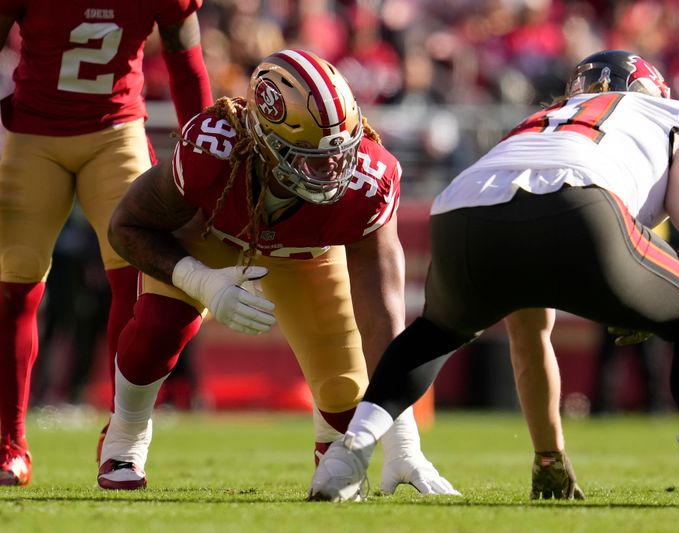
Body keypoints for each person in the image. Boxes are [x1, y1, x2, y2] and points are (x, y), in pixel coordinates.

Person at [309, 49, 679, 508]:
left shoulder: (542, 122)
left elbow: (529, 337)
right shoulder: (669, 113)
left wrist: (549, 456)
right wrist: (652, 303)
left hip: (462, 208)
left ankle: (346, 458)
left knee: (435, 332)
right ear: (652, 90)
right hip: (578, 203)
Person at [97, 48, 459, 497]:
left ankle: (333, 455)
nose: (332, 170)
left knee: (344, 386)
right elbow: (126, 226)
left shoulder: (367, 179)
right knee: (158, 326)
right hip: (211, 238)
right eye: (309, 155)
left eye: (338, 151)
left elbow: (381, 314)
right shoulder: (215, 147)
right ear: (262, 139)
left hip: (308, 256)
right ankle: (125, 440)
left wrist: (403, 440)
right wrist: (200, 280)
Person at [0, 0, 213, 486]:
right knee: (15, 284)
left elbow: (188, 67)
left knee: (140, 282)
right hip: (33, 135)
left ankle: (122, 439)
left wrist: (204, 155)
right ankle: (9, 442)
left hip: (116, 132)